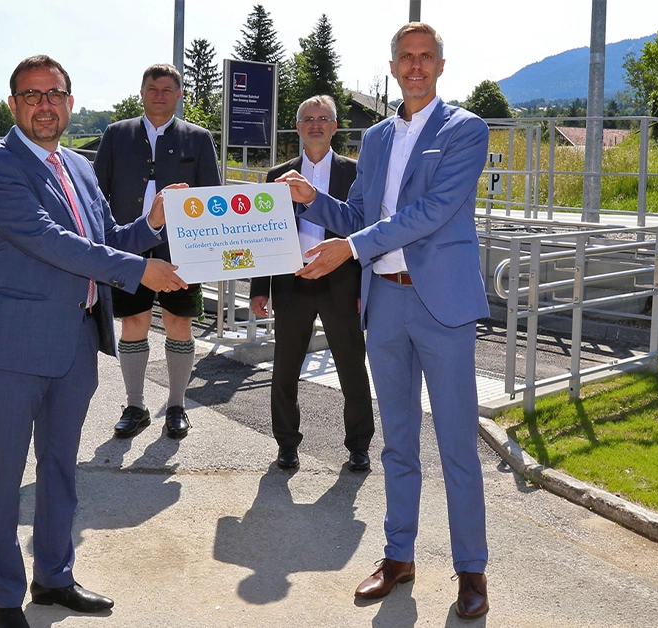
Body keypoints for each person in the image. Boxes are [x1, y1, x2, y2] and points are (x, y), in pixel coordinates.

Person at [276, 22, 490, 619]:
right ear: (393, 66)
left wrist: (350, 246)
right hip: (385, 303)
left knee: (455, 446)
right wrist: (311, 200)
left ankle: (470, 569)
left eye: (426, 58)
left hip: (440, 303)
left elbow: (432, 212)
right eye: (406, 58)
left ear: (440, 67)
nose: (415, 67)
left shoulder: (465, 129)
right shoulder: (374, 140)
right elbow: (359, 214)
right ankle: (399, 557)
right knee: (398, 441)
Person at [0, 55, 188, 628]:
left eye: (55, 94)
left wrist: (155, 223)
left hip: (75, 343)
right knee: (5, 474)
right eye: (32, 95)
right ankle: (7, 597)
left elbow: (106, 236)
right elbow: (51, 241)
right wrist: (139, 272)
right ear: (14, 105)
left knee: (61, 466)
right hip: (13, 350)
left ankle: (54, 577)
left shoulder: (81, 168)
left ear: (69, 100)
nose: (46, 105)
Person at [94, 63, 221, 440]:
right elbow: (98, 191)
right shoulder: (117, 134)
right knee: (133, 324)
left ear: (179, 94)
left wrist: (208, 253)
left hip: (180, 251)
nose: (159, 94)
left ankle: (177, 405)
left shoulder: (197, 138)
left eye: (167, 89)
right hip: (128, 247)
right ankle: (135, 405)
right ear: (142, 92)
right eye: (153, 88)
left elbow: (211, 196)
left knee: (178, 324)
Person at [249, 95, 374, 472]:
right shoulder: (276, 176)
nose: (316, 124)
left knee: (352, 369)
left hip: (342, 284)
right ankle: (286, 444)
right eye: (308, 119)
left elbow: (368, 231)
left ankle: (358, 446)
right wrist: (259, 288)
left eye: (323, 118)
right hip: (292, 283)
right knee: (285, 369)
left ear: (335, 127)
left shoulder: (356, 174)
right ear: (299, 127)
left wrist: (365, 291)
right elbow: (262, 235)